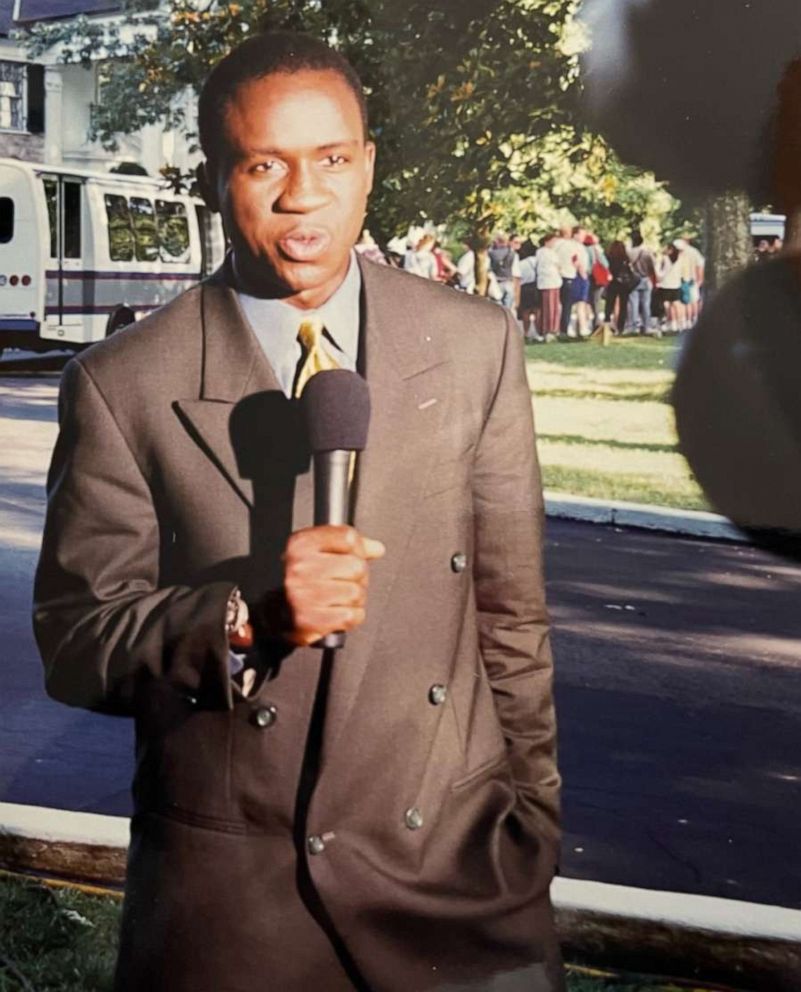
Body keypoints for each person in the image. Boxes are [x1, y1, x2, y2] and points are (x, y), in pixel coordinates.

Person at [33, 30, 562, 992]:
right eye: (263, 163)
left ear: (367, 167)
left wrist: (529, 825)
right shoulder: (123, 384)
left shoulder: (475, 343)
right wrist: (242, 617)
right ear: (213, 178)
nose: (301, 195)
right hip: (237, 910)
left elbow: (510, 616)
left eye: (329, 159)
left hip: (460, 881)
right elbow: (74, 642)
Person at [626, 230, 657, 334]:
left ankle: (633, 326)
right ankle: (646, 326)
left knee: (633, 304)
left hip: (634, 280)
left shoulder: (629, 252)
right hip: (646, 278)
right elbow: (653, 267)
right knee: (646, 304)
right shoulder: (647, 253)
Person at [534, 232, 563, 340]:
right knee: (549, 307)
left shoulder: (544, 252)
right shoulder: (546, 252)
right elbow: (557, 265)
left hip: (550, 282)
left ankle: (550, 328)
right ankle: (549, 329)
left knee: (551, 306)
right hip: (549, 282)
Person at [488, 230, 522, 312]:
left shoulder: (490, 253)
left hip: (496, 284)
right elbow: (516, 274)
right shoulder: (512, 254)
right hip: (509, 283)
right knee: (507, 311)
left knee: (496, 311)